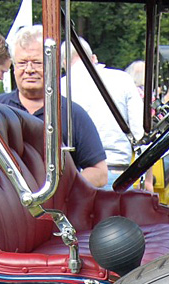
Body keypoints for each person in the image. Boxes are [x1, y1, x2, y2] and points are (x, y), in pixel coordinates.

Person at [0, 26, 108, 187]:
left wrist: (62, 189)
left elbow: (99, 173)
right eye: (22, 63)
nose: (29, 70)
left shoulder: (72, 114)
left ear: (52, 65)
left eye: (36, 63)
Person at [62, 36, 146, 189]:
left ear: (64, 63)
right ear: (93, 57)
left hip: (81, 178)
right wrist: (146, 181)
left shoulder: (61, 87)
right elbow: (140, 134)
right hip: (121, 172)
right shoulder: (123, 79)